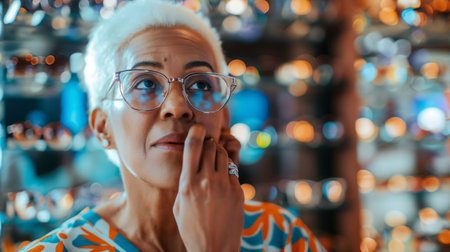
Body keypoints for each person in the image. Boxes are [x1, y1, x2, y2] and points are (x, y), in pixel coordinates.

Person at [19, 0, 326, 251]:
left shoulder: (282, 236)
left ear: (224, 119)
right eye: (145, 83)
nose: (177, 107)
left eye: (201, 86)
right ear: (102, 127)